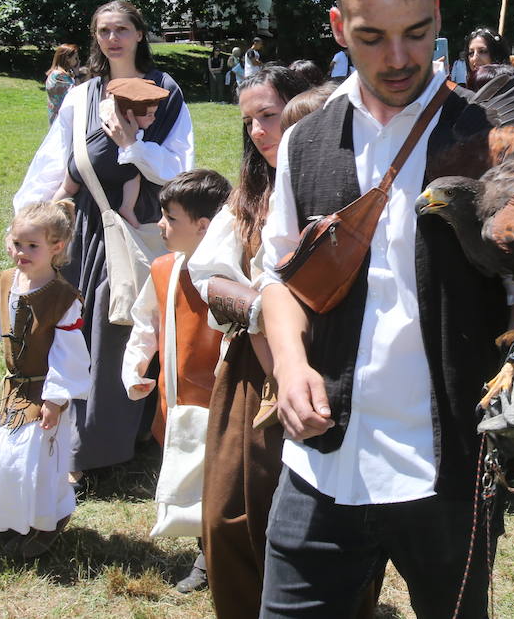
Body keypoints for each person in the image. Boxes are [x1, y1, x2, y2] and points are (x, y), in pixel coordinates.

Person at [259, 0, 514, 618]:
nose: (400, 57)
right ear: (338, 27)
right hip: (320, 465)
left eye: (417, 32)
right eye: (373, 37)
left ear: (438, 12)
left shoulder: (491, 137)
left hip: (447, 471)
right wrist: (290, 367)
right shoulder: (305, 142)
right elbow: (281, 280)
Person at [14, 0, 194, 478]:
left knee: (121, 328)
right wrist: (28, 219)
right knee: (76, 328)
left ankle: (106, 441)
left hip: (135, 225)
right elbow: (54, 159)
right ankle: (69, 429)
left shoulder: (167, 91)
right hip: (85, 223)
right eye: (104, 30)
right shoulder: (81, 95)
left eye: (122, 29)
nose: (112, 38)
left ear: (140, 34)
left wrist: (131, 147)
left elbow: (178, 166)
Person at [186, 68, 331, 617]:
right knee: (228, 515)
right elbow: (207, 277)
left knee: (323, 523)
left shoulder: (346, 184)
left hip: (329, 367)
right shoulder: (247, 196)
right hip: (253, 374)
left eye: (268, 116)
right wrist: (260, 312)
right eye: (249, 121)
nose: (258, 131)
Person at [0, 200, 89, 558]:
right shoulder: (3, 283)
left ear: (57, 247)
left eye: (32, 246)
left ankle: (48, 523)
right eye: (17, 243)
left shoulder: (63, 298)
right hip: (14, 390)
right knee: (9, 458)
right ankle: (18, 518)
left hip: (44, 394)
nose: (21, 252)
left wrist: (55, 401)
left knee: (40, 462)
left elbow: (68, 355)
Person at [122, 168, 233, 594]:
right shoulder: (163, 268)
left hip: (219, 401)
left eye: (170, 218)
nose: (160, 225)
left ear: (204, 226)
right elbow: (144, 322)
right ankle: (207, 551)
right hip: (177, 396)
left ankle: (218, 557)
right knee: (192, 478)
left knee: (222, 481)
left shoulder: (229, 275)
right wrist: (135, 366)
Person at [56, 78, 171, 230]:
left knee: (68, 187)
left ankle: (51, 207)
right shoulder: (126, 129)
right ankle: (127, 208)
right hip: (99, 157)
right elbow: (134, 152)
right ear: (129, 114)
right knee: (133, 172)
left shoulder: (110, 113)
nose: (153, 118)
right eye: (149, 114)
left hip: (85, 154)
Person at [45, 44, 82, 124]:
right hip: (61, 121)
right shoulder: (59, 76)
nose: (78, 61)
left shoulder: (57, 74)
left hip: (59, 119)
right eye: (75, 58)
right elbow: (78, 94)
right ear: (68, 58)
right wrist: (77, 75)